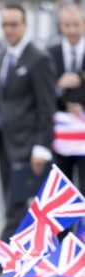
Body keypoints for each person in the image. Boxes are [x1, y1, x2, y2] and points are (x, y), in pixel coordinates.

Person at [0, 3, 56, 277]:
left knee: (16, 208)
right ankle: (34, 263)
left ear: (25, 25)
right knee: (17, 208)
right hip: (4, 146)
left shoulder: (38, 58)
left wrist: (41, 147)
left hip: (28, 149)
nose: (9, 29)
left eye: (14, 24)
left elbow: (47, 108)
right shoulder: (2, 55)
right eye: (5, 25)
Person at [48, 4, 85, 196]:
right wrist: (58, 86)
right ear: (60, 26)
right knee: (62, 189)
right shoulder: (50, 54)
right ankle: (64, 228)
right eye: (67, 25)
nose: (71, 30)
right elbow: (43, 91)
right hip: (61, 133)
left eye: (76, 25)